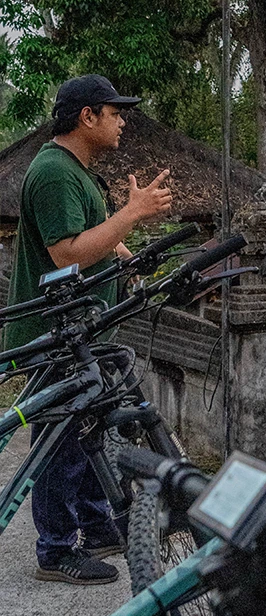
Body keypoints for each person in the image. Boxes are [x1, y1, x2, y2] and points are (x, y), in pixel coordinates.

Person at [6, 76, 173, 584]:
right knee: (60, 437)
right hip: (57, 333)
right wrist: (133, 212)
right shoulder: (55, 172)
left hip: (85, 329)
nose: (122, 121)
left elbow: (93, 243)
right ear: (87, 116)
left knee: (90, 430)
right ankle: (55, 549)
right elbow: (67, 252)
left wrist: (125, 248)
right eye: (114, 112)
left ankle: (98, 525)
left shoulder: (75, 171)